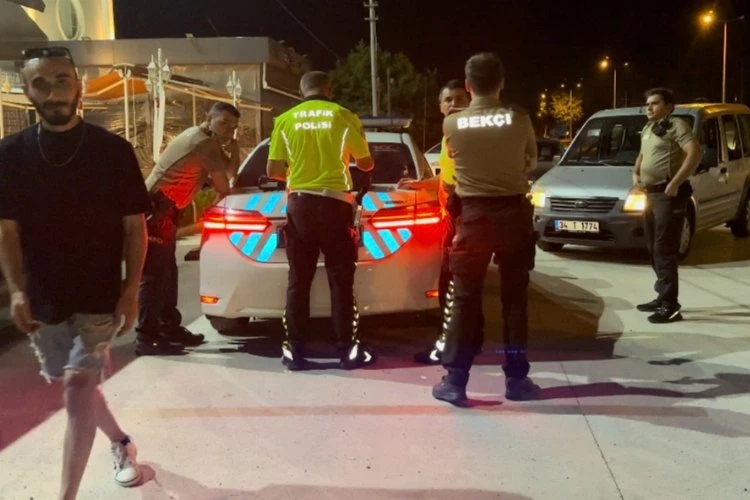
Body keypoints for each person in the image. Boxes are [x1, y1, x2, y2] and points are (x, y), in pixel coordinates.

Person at [0, 46, 150, 499]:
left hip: (99, 294)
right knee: (76, 387)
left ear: (79, 84)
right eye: (40, 83)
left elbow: (135, 227)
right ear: (26, 91)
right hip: (43, 296)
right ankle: (121, 443)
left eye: (62, 79)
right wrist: (17, 291)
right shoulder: (9, 155)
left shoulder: (113, 151)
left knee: (77, 385)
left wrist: (130, 289)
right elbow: (7, 230)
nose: (53, 92)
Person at [432, 52, 539, 405]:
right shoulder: (519, 118)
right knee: (514, 301)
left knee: (464, 299)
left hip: (473, 217)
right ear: (501, 82)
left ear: (467, 85)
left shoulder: (452, 124)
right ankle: (516, 379)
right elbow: (530, 162)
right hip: (512, 215)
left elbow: (454, 164)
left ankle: (455, 380)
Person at [266, 70, 376, 371]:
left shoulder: (284, 120)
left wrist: (299, 175)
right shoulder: (344, 116)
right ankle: (347, 351)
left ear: (301, 91)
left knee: (298, 280)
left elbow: (273, 170)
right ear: (329, 89)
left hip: (300, 205)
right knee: (340, 280)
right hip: (336, 205)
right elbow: (366, 164)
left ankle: (295, 351)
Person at [137, 101, 241, 354]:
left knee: (168, 272)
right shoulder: (202, 142)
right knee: (155, 275)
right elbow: (224, 185)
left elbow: (227, 172)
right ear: (209, 118)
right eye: (224, 122)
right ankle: (146, 337)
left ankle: (168, 327)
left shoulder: (209, 141)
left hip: (167, 209)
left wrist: (235, 149)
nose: (228, 129)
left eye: (233, 126)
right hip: (157, 208)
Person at [398, 80, 485, 364]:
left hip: (463, 219)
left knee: (453, 286)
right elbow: (446, 178)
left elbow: (465, 178)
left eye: (459, 98)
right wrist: (420, 184)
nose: (454, 103)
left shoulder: (468, 133)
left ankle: (449, 347)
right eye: (448, 99)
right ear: (440, 106)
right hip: (456, 218)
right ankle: (471, 341)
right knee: (463, 284)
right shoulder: (451, 135)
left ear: (469, 100)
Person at [633, 88, 701, 323]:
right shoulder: (648, 128)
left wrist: (675, 183)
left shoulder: (677, 126)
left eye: (654, 103)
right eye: (647, 103)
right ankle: (662, 296)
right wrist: (635, 174)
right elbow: (642, 156)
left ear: (669, 106)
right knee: (653, 247)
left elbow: (695, 153)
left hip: (668, 195)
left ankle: (671, 306)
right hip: (650, 195)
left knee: (664, 249)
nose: (648, 107)